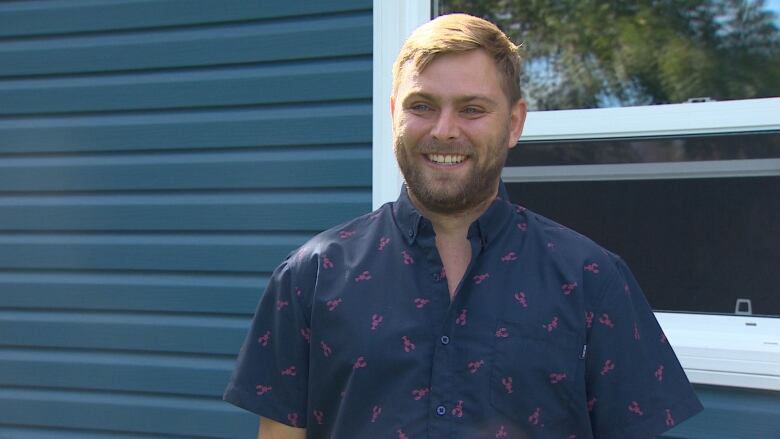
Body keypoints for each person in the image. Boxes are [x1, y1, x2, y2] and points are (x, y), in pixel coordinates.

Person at [224, 13, 703, 438]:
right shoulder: (311, 276)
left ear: (514, 124)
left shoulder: (592, 279)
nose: (444, 130)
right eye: (422, 106)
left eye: (472, 109)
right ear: (394, 115)